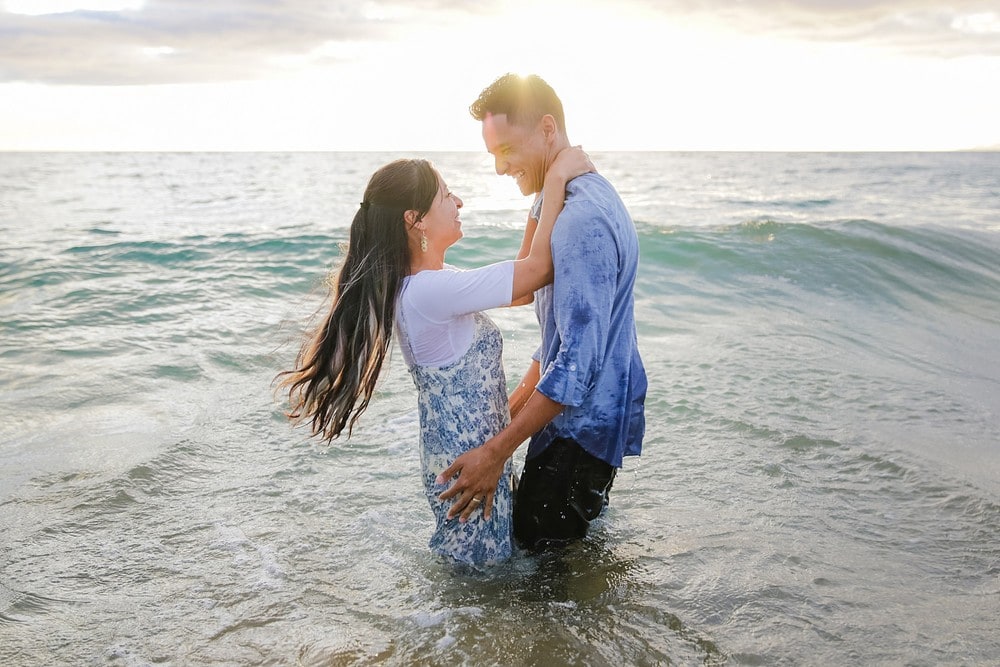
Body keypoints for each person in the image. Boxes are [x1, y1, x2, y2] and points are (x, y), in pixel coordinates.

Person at [277, 148, 593, 567]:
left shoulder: (428, 288)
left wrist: (539, 205)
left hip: (467, 461)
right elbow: (538, 271)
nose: (458, 202)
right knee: (476, 581)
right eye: (446, 195)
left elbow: (522, 289)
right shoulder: (428, 293)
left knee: (477, 582)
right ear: (415, 219)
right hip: (470, 468)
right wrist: (553, 183)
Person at [437, 73, 648, 551]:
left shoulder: (580, 219)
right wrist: (504, 419)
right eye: (492, 154)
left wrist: (496, 453)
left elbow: (576, 365)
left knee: (543, 592)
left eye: (507, 149)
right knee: (561, 577)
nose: (499, 167)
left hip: (578, 439)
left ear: (547, 128)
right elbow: (551, 333)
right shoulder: (566, 199)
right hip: (574, 433)